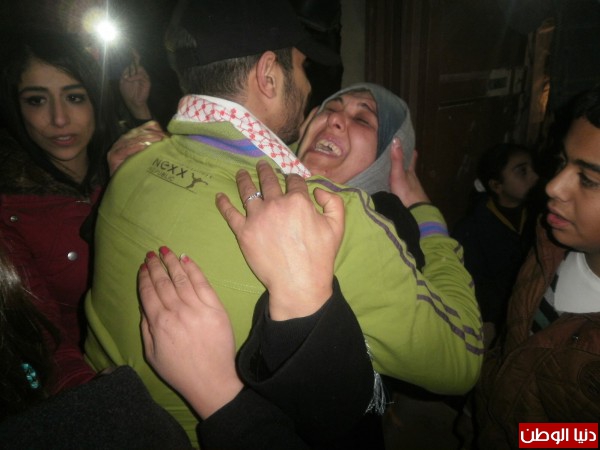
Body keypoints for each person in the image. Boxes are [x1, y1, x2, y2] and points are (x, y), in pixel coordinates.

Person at [84, 0, 483, 445]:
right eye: (304, 69)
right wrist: (428, 215)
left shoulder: (133, 165)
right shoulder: (337, 220)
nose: (330, 113)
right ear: (269, 76)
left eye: (362, 119)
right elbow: (462, 360)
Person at [140, 162, 376, 449]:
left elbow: (442, 360)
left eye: (367, 126)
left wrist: (217, 392)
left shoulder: (374, 219)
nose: (334, 121)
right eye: (326, 112)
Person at [0, 29, 127, 391]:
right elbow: (44, 340)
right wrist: (104, 400)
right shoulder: (11, 209)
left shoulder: (125, 169)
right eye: (37, 100)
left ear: (96, 101)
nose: (59, 119)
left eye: (74, 97)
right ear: (17, 108)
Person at [475, 86, 600, 449]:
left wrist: (522, 437)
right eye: (562, 162)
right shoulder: (549, 239)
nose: (553, 186)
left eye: (589, 180)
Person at [453, 143, 539, 346]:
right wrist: (491, 318)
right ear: (497, 186)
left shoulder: (540, 215)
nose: (535, 177)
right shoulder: (472, 229)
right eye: (522, 171)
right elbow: (474, 282)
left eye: (533, 169)